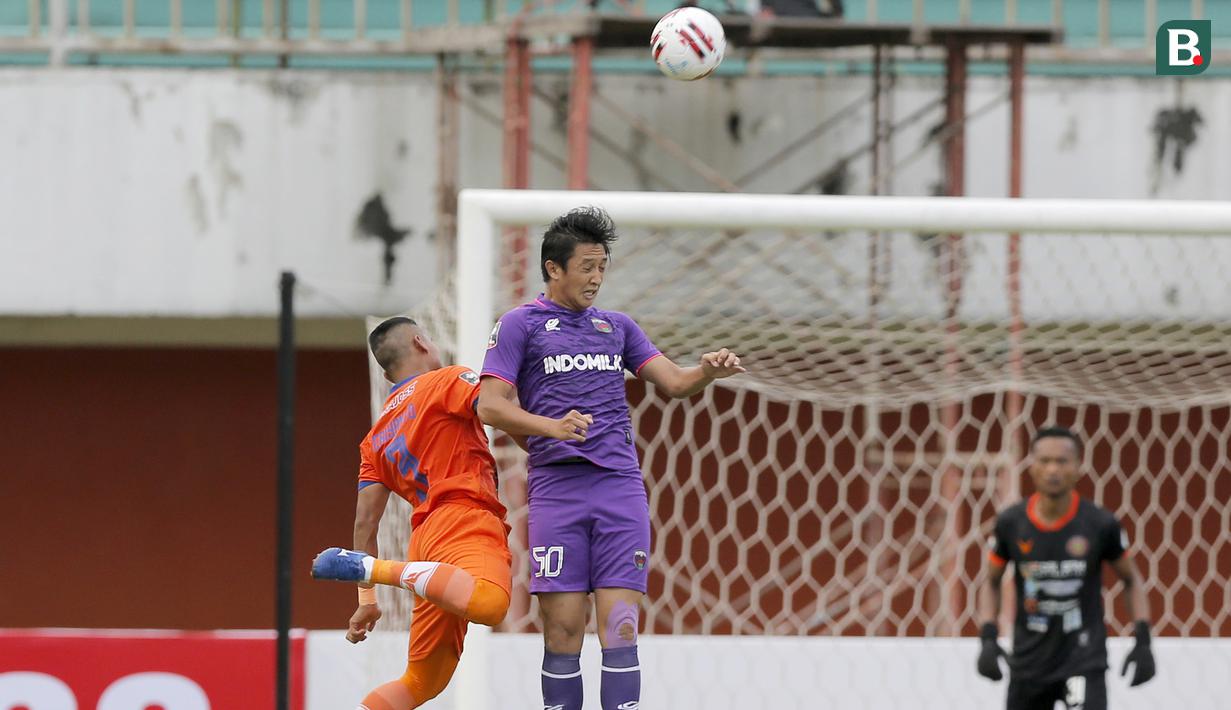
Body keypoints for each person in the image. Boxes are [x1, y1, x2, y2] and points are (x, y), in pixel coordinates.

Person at [475, 206, 746, 710]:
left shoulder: (616, 327)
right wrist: (550, 428)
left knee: (621, 627)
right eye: (587, 267)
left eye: (602, 268)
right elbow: (489, 405)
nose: (596, 278)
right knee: (562, 632)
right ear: (554, 269)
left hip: (619, 488)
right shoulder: (519, 325)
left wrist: (706, 371)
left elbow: (675, 382)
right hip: (557, 490)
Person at [310, 316, 514, 710]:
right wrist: (552, 427)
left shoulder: (376, 437)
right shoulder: (448, 379)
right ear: (421, 342)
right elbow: (494, 406)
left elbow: (364, 523)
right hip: (467, 520)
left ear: (388, 376)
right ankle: (378, 569)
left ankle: (375, 571)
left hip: (427, 547)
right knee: (491, 604)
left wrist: (366, 599)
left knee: (422, 682)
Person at [977, 426, 1157, 710]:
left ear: (1077, 467)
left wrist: (1143, 640)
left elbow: (1131, 578)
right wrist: (987, 637)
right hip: (1029, 662)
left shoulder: (1100, 524)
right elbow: (991, 581)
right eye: (1044, 461)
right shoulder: (1011, 523)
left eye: (1062, 461)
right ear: (1032, 467)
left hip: (1083, 660)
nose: (1052, 469)